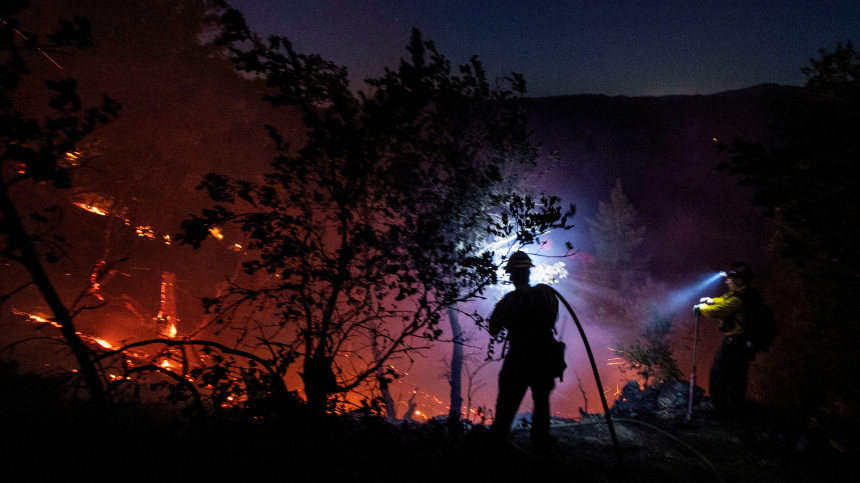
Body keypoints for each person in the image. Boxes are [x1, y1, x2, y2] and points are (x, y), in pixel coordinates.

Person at [489, 251, 561, 449]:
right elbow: (553, 319)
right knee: (541, 400)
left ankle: (498, 443)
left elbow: (493, 329)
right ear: (529, 272)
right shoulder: (545, 295)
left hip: (519, 358)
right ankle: (541, 442)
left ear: (512, 275)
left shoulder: (508, 301)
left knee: (507, 404)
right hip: (543, 356)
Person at [695, 261, 759, 418]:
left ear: (738, 280)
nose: (726, 280)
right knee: (736, 375)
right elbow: (725, 300)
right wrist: (712, 300)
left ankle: (721, 409)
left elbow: (721, 310)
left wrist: (702, 309)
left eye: (729, 278)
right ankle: (734, 408)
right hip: (743, 342)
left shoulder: (740, 299)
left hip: (737, 342)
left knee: (720, 372)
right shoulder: (744, 293)